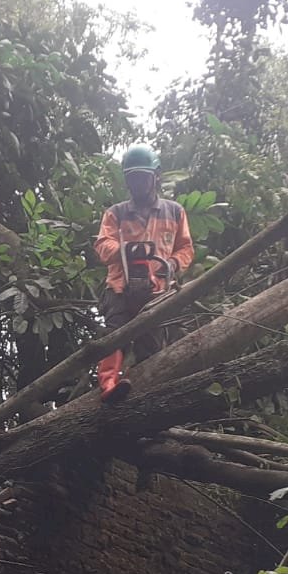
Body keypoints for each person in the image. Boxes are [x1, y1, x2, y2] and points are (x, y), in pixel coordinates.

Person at [93, 144, 195, 403]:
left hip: (157, 289)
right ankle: (108, 385)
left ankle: (143, 393)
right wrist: (126, 250)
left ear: (155, 176)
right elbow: (103, 246)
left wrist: (171, 263)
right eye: (133, 178)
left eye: (142, 177)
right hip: (120, 286)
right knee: (115, 334)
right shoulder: (115, 213)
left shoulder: (175, 211)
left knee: (151, 344)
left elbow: (185, 248)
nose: (137, 183)